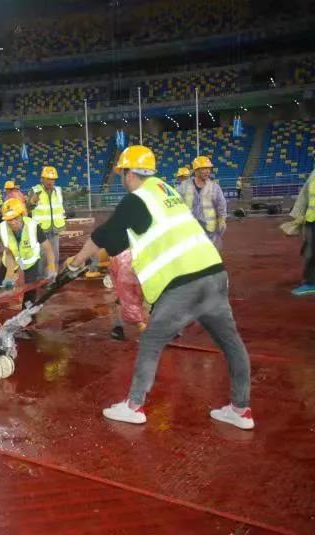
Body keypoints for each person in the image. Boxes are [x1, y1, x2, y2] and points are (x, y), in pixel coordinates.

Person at [66, 145, 253, 430]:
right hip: (214, 275)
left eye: (122, 173)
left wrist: (77, 260)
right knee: (231, 343)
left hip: (184, 283)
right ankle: (241, 410)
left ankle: (133, 407)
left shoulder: (136, 199)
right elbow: (129, 238)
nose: (122, 179)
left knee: (152, 341)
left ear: (129, 174)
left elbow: (104, 235)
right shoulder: (166, 192)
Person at [0, 199, 52, 308]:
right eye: (9, 220)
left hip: (30, 261)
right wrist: (9, 276)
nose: (12, 222)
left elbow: (48, 248)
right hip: (13, 258)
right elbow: (9, 253)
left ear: (22, 215)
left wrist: (51, 266)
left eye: (15, 218)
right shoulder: (2, 229)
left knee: (30, 287)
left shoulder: (33, 226)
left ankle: (27, 310)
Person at [177, 156, 227, 250]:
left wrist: (222, 219)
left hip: (209, 231)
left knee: (210, 254)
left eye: (209, 168)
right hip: (189, 230)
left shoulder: (214, 187)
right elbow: (176, 205)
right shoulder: (183, 187)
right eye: (204, 168)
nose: (208, 171)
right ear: (196, 170)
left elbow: (221, 204)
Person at [28, 165, 66, 278]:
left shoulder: (58, 191)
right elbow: (27, 207)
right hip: (40, 230)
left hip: (54, 229)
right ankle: (39, 278)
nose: (51, 181)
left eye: (53, 179)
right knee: (42, 256)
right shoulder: (35, 190)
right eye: (48, 179)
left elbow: (69, 195)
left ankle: (52, 278)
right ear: (42, 179)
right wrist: (32, 202)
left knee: (55, 256)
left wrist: (80, 193)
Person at [105, 250, 148, 341]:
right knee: (122, 298)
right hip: (126, 267)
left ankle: (118, 328)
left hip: (130, 266)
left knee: (129, 298)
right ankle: (118, 328)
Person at [290, 169, 315, 296]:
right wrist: (299, 215)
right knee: (309, 251)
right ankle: (311, 281)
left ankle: (312, 283)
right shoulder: (314, 174)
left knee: (311, 252)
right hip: (311, 219)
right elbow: (305, 195)